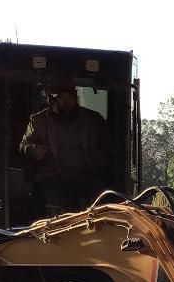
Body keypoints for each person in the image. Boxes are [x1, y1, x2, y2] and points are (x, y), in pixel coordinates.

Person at [20, 84, 110, 214]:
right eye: (61, 97)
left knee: (104, 194)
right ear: (52, 100)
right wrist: (30, 149)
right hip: (52, 176)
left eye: (70, 97)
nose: (66, 101)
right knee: (40, 197)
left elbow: (108, 146)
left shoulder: (93, 120)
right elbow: (23, 145)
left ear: (76, 97)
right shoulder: (38, 121)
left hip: (86, 175)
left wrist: (98, 160)